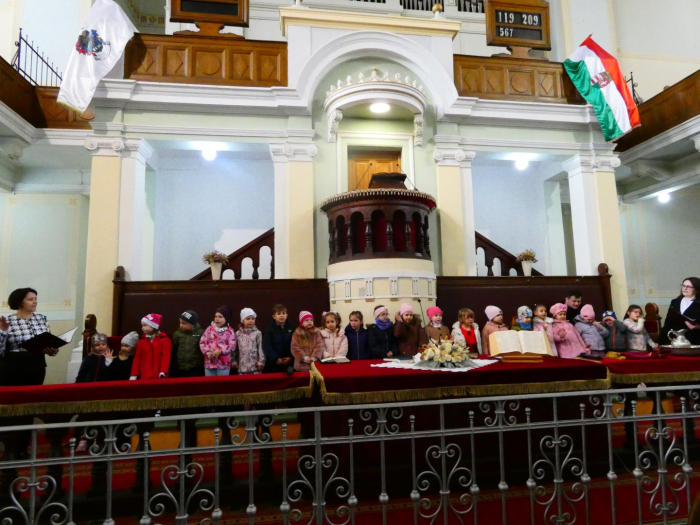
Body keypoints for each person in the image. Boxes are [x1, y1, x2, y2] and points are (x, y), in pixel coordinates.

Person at [0, 288, 59, 387]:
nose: (35, 302)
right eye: (30, 299)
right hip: (13, 367)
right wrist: (3, 331)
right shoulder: (7, 321)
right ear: (19, 302)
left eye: (35, 299)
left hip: (37, 366)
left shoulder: (42, 319)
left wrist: (53, 350)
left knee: (34, 394)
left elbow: (48, 341)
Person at [130, 314, 172, 380]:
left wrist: (163, 371)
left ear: (153, 326)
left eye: (145, 325)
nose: (142, 328)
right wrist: (134, 374)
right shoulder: (141, 342)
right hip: (144, 376)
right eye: (142, 325)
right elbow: (137, 359)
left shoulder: (164, 340)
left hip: (159, 376)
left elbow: (165, 357)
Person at [660, 277, 700, 345]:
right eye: (683, 285)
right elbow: (668, 324)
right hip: (676, 340)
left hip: (695, 340)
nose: (685, 288)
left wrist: (698, 327)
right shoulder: (675, 302)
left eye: (688, 286)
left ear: (696, 289)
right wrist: (659, 342)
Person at [199, 306, 237, 377]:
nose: (217, 319)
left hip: (223, 364)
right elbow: (203, 342)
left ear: (226, 318)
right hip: (209, 363)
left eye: (220, 317)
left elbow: (232, 345)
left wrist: (220, 351)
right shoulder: (209, 329)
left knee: (222, 382)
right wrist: (207, 352)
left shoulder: (230, 331)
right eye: (215, 316)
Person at [170, 310, 205, 378]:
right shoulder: (177, 334)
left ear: (192, 324)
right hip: (182, 366)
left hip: (196, 366)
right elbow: (174, 349)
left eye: (184, 323)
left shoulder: (201, 333)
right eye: (180, 323)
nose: (181, 325)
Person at [262, 304, 294, 373]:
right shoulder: (269, 330)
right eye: (279, 314)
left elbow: (295, 345)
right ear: (274, 316)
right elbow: (267, 346)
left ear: (286, 316)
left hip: (289, 363)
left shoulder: (292, 329)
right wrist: (275, 358)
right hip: (274, 364)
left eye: (283, 313)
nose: (281, 315)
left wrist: (290, 357)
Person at [236, 308, 265, 374]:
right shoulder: (238, 334)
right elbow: (235, 349)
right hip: (242, 369)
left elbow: (261, 348)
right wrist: (233, 361)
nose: (251, 321)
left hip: (255, 368)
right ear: (242, 321)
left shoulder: (258, 333)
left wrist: (261, 362)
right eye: (248, 319)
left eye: (253, 319)